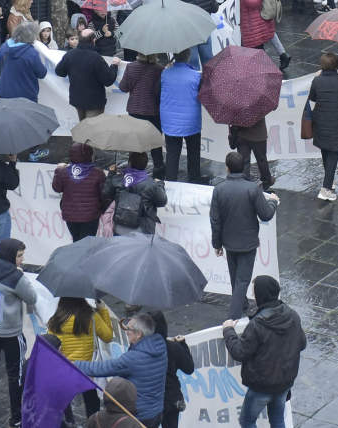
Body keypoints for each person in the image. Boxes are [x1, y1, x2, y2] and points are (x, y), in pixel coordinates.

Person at [223, 275, 306, 428]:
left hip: (262, 385)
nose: (253, 297)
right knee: (277, 420)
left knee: (247, 422)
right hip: (284, 382)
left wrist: (228, 330)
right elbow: (302, 344)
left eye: (254, 294)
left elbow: (240, 352)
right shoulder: (293, 316)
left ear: (261, 295)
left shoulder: (257, 324)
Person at [0, 238, 38, 427]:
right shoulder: (15, 276)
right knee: (15, 374)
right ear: (10, 255)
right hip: (11, 332)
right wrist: (21, 275)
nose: (22, 259)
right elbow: (32, 297)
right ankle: (16, 417)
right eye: (19, 255)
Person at [210, 151, 279, 320]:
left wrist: (217, 244)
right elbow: (266, 215)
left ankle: (243, 306)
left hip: (229, 242)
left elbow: (215, 220)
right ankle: (233, 318)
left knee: (236, 280)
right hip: (247, 243)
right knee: (242, 281)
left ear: (227, 168)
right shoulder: (252, 189)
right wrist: (273, 201)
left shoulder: (219, 190)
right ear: (243, 168)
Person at [72, 312, 168, 428]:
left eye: (129, 329)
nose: (126, 331)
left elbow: (101, 368)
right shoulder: (160, 345)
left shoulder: (132, 358)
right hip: (156, 411)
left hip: (139, 416)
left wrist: (74, 364)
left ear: (139, 334)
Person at [48, 295, 115, 418]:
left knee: (64, 405)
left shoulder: (55, 320)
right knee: (92, 402)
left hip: (64, 368)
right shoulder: (91, 317)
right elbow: (108, 336)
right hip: (86, 370)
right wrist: (103, 310)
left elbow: (52, 344)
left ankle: (68, 423)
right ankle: (92, 424)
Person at [309, 52, 338, 201]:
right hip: (337, 124)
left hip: (320, 122)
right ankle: (325, 189)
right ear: (337, 65)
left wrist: (316, 77)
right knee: (333, 154)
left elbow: (313, 97)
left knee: (326, 151)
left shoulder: (317, 81)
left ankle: (330, 180)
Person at [160, 50, 203, 182]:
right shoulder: (196, 76)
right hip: (192, 121)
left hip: (170, 122)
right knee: (194, 154)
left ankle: (171, 183)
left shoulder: (165, 73)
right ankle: (194, 180)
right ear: (188, 56)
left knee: (172, 155)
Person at [55, 29, 119, 118]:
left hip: (77, 99)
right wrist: (114, 66)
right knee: (92, 130)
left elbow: (59, 71)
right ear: (93, 40)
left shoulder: (70, 55)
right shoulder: (96, 58)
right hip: (94, 102)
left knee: (83, 128)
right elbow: (108, 80)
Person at [52, 142, 107, 240]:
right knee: (87, 244)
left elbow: (57, 188)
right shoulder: (98, 173)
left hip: (70, 215)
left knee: (76, 241)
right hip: (91, 216)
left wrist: (58, 170)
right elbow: (104, 194)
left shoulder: (63, 172)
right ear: (89, 154)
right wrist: (101, 209)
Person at [105, 151, 167, 236]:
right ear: (145, 165)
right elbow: (162, 201)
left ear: (129, 163)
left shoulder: (118, 179)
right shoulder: (151, 185)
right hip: (143, 232)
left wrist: (111, 174)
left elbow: (106, 193)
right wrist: (160, 184)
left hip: (119, 228)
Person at [151, 311, 195, 428]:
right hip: (170, 399)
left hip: (148, 398)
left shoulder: (139, 347)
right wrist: (183, 345)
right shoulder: (173, 347)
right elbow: (189, 368)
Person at [0, 20, 48, 102]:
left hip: (5, 93)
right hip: (27, 96)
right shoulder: (32, 53)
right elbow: (42, 73)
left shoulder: (4, 47)